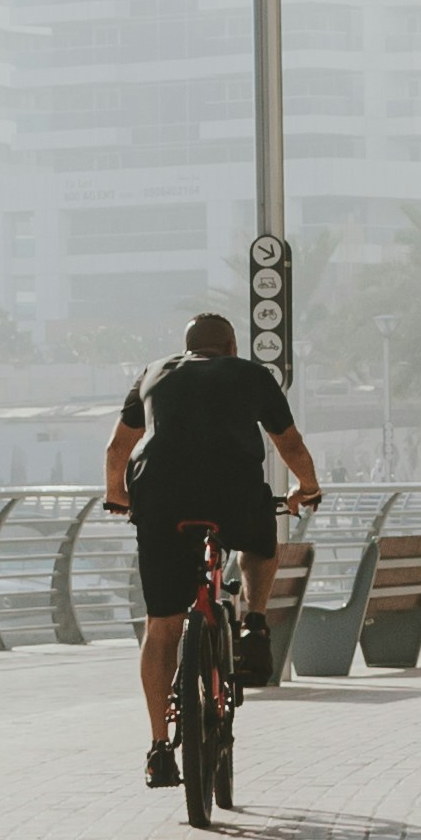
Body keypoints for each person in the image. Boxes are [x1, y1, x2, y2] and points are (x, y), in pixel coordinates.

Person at [106, 309, 322, 790]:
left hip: (161, 498)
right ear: (230, 347)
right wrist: (306, 487)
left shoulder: (153, 373)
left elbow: (118, 450)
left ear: (186, 349)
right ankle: (256, 624)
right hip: (233, 493)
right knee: (260, 544)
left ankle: (160, 747)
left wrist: (117, 496)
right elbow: (288, 443)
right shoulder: (250, 374)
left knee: (162, 624)